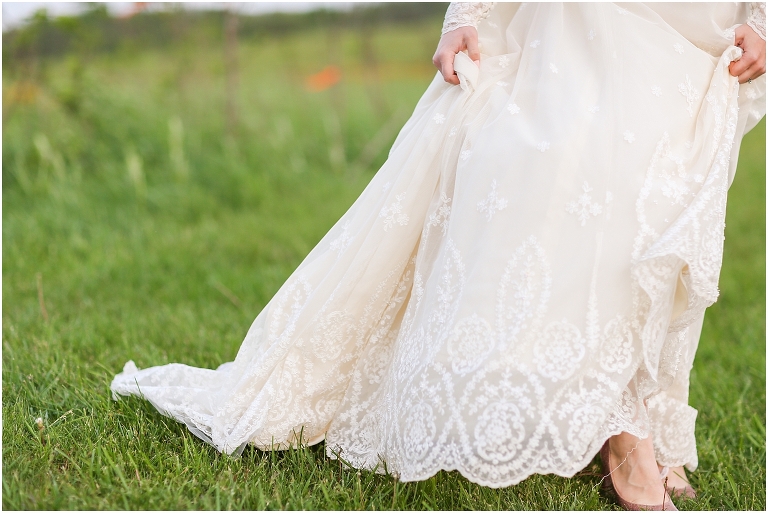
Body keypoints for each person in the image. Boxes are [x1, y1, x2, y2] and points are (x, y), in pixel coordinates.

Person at [112, 3, 765, 510]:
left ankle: (632, 406)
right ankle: (625, 430)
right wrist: (466, 15)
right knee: (575, 167)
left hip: (696, 19)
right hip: (581, 17)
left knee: (666, 190)